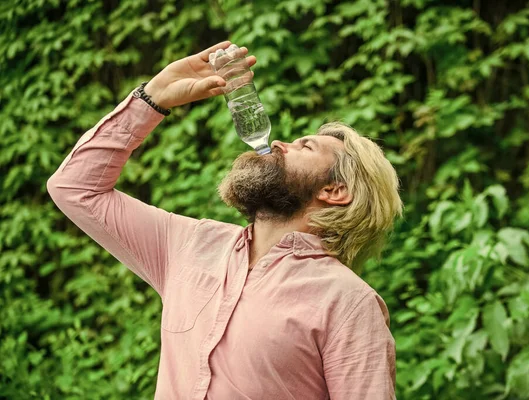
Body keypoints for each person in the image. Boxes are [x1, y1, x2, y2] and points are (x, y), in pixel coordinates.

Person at [47, 41, 403, 399]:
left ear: (335, 190)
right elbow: (75, 188)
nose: (280, 143)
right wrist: (153, 97)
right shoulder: (189, 243)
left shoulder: (348, 302)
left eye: (304, 147)